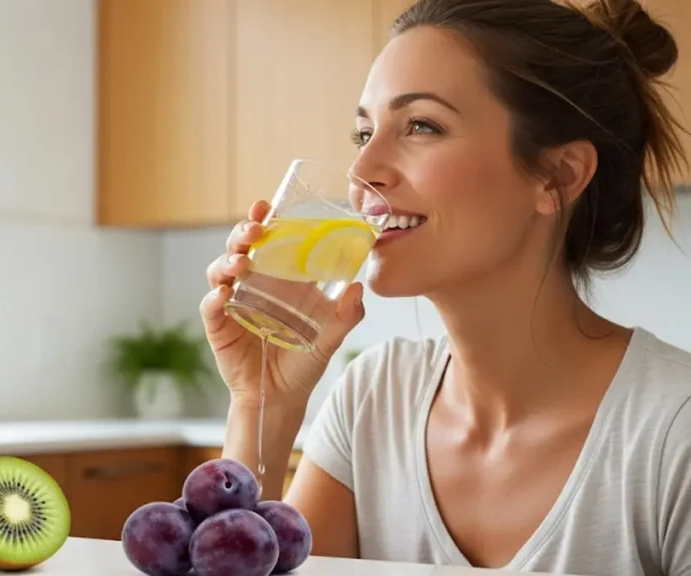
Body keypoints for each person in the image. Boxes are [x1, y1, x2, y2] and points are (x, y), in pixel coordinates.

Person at [200, 0, 691, 574]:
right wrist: (265, 404)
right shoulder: (372, 401)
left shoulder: (673, 430)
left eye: (422, 126)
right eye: (364, 132)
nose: (363, 173)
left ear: (558, 177)